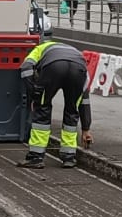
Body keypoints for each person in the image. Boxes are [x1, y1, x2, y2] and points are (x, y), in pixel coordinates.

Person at [21, 38, 90, 169]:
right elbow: (84, 100)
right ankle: (69, 157)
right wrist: (86, 129)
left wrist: (34, 91)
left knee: (42, 108)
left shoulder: (40, 49)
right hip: (78, 70)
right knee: (72, 109)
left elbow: (25, 67)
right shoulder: (77, 54)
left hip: (53, 67)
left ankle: (36, 157)